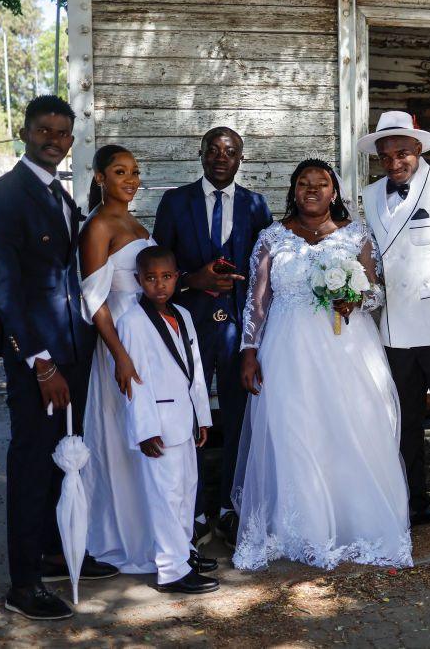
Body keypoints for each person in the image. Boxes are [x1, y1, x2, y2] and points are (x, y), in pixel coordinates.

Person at [231, 160, 412, 571]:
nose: (312, 190)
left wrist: (356, 299)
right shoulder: (273, 237)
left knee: (348, 429)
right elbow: (258, 302)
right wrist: (248, 350)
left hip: (345, 350)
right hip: (288, 350)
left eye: (321, 183)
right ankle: (304, 527)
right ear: (293, 190)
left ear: (335, 192)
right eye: (304, 184)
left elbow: (376, 293)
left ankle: (351, 521)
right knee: (295, 431)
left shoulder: (356, 235)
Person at [0, 95, 117, 621]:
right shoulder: (3, 197)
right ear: (23, 131)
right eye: (43, 131)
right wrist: (41, 363)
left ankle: (56, 553)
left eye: (62, 133)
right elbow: (7, 291)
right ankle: (23, 582)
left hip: (73, 352)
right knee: (32, 462)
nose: (52, 141)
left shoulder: (62, 195)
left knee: (65, 457)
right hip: (38, 360)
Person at [359, 111, 430, 550]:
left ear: (419, 149)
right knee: (403, 423)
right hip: (392, 332)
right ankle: (417, 502)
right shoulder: (370, 196)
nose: (394, 163)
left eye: (402, 153)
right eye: (386, 156)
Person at [152, 127, 273, 548]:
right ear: (200, 154)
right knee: (190, 418)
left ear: (242, 158)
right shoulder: (175, 201)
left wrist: (257, 335)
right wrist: (190, 279)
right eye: (214, 150)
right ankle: (197, 508)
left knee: (241, 417)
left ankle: (230, 507)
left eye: (231, 151)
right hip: (188, 326)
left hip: (240, 331)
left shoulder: (256, 205)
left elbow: (265, 270)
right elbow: (158, 265)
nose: (222, 157)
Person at [116, 246, 218, 594]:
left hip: (185, 421)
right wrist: (145, 429)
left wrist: (202, 416)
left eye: (166, 277)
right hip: (158, 424)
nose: (159, 285)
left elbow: (196, 372)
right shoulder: (131, 321)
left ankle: (183, 553)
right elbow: (134, 381)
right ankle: (171, 570)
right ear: (138, 280)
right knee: (165, 496)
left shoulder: (184, 315)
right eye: (150, 278)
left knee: (187, 491)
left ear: (177, 277)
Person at [78, 145, 157, 575]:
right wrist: (120, 357)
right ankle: (120, 536)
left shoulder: (132, 220)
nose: (130, 179)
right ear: (100, 178)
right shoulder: (100, 225)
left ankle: (150, 529)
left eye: (135, 171)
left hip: (146, 339)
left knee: (146, 434)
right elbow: (94, 299)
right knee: (122, 438)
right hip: (118, 344)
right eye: (120, 172)